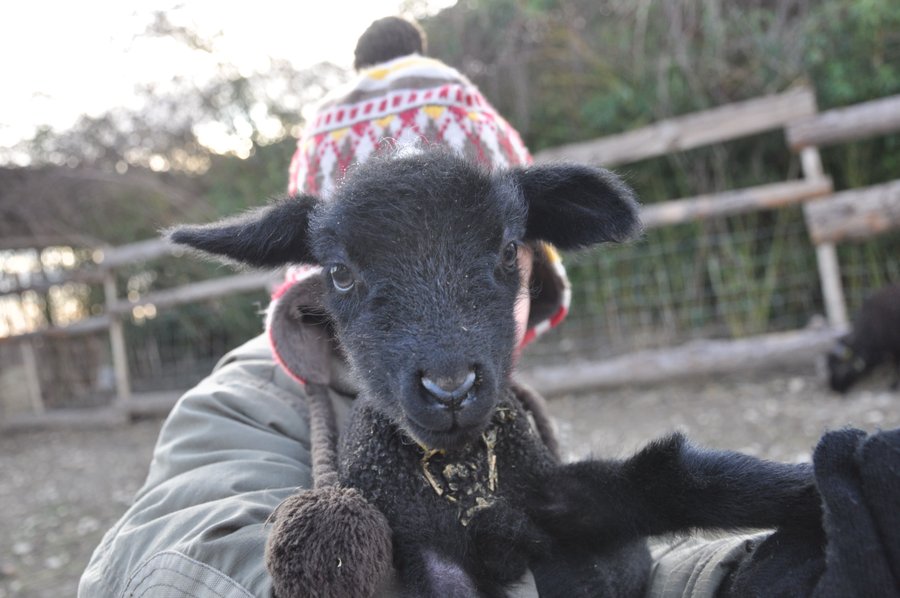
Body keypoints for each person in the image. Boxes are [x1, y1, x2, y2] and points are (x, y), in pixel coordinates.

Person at [80, 17, 899, 598]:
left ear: (530, 265)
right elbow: (175, 550)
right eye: (365, 273)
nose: (447, 357)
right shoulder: (247, 402)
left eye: (491, 262)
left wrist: (748, 575)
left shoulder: (505, 415)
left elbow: (576, 560)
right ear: (315, 285)